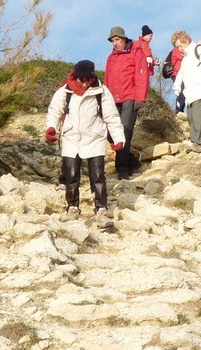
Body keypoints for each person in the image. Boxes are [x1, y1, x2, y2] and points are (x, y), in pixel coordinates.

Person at [45, 59, 125, 229]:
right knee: (71, 176)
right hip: (71, 138)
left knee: (98, 176)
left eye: (88, 79)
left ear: (92, 77)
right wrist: (51, 128)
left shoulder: (102, 92)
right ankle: (72, 208)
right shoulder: (64, 91)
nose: (84, 83)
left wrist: (119, 139)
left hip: (94, 138)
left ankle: (101, 211)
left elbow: (111, 117)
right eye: (81, 79)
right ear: (75, 77)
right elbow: (54, 111)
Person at [104, 25, 150, 178]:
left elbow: (142, 76)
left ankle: (122, 170)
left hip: (130, 97)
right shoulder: (111, 57)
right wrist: (104, 100)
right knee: (109, 132)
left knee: (123, 133)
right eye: (112, 41)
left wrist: (140, 98)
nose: (115, 43)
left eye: (117, 40)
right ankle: (132, 161)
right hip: (112, 99)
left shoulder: (136, 53)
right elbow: (107, 80)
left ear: (123, 38)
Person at [164, 30, 191, 112]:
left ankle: (181, 109)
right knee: (181, 92)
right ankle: (178, 110)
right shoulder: (176, 50)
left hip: (185, 73)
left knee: (185, 91)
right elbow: (173, 62)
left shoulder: (188, 48)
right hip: (176, 74)